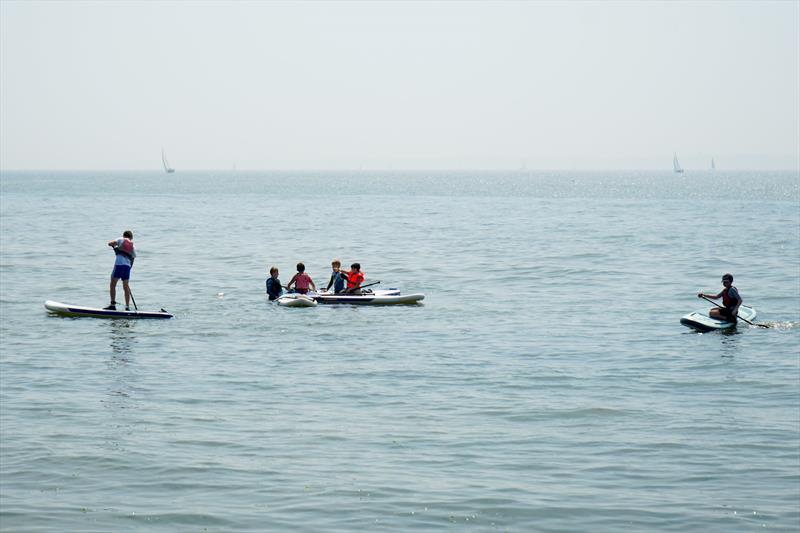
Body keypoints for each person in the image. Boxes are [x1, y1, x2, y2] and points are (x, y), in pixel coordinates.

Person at [105, 230, 136, 310]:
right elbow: (133, 258)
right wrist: (129, 268)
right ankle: (127, 307)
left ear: (124, 235)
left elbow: (110, 243)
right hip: (127, 267)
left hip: (119, 264)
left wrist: (115, 248)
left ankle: (112, 305)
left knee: (113, 284)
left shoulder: (120, 239)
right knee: (126, 287)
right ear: (131, 238)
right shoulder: (132, 245)